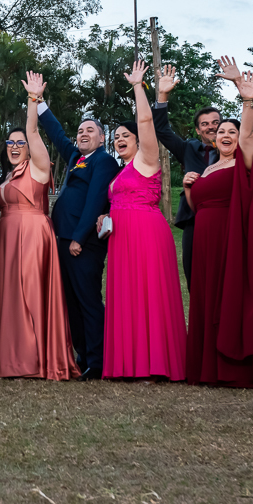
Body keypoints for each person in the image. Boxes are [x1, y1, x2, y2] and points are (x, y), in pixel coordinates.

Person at [184, 66, 253, 388]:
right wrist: (190, 188)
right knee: (206, 299)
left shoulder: (244, 160)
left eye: (230, 132)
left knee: (229, 299)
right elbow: (197, 208)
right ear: (212, 139)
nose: (226, 136)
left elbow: (247, 135)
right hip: (204, 244)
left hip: (232, 241)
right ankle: (207, 368)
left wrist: (246, 102)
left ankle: (234, 369)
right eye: (221, 133)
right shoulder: (208, 168)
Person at [99, 62, 187, 381]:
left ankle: (156, 364)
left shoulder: (146, 158)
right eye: (117, 137)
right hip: (121, 239)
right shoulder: (120, 170)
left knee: (150, 295)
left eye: (126, 135)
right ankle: (129, 363)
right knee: (127, 299)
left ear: (138, 140)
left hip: (147, 233)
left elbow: (146, 119)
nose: (121, 139)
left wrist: (139, 86)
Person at [0, 74, 77, 381]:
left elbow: (32, 129)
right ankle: (12, 359)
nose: (15, 146)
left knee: (31, 294)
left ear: (29, 148)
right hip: (6, 239)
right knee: (8, 296)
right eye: (10, 143)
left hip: (33, 236)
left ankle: (35, 359)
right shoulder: (5, 177)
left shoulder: (39, 168)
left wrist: (33, 100)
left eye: (20, 143)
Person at [35, 98, 118, 381]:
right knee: (71, 302)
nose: (83, 134)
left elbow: (95, 200)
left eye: (90, 131)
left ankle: (98, 361)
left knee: (88, 302)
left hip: (82, 244)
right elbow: (57, 134)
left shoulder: (104, 161)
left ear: (102, 137)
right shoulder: (76, 158)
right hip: (63, 240)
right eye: (80, 131)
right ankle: (83, 356)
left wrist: (79, 238)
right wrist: (40, 103)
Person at [153, 66, 221, 290]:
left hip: (225, 219)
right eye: (205, 124)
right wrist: (163, 96)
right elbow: (162, 130)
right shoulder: (188, 149)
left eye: (215, 123)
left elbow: (252, 130)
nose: (211, 127)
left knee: (223, 276)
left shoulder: (234, 149)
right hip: (193, 218)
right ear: (198, 130)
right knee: (194, 275)